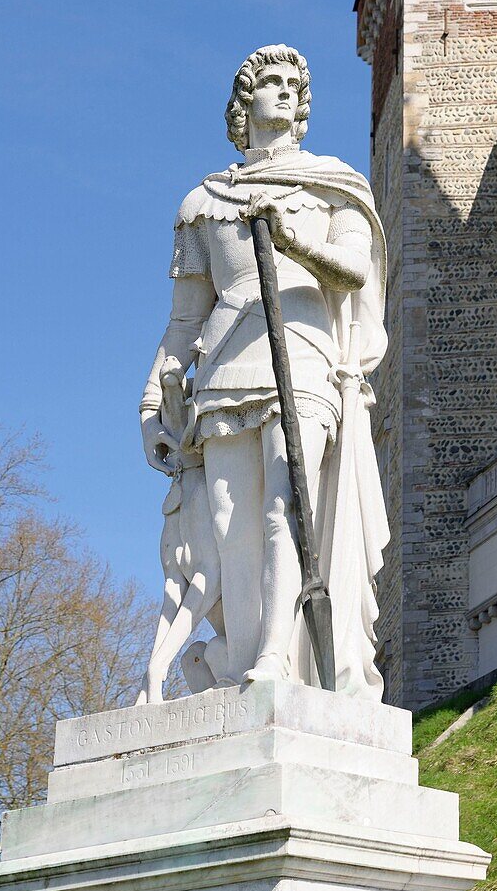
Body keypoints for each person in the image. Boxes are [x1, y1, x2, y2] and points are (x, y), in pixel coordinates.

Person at [140, 44, 389, 698]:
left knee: (288, 506)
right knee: (232, 528)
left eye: (292, 85)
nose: (283, 92)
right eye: (268, 83)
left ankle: (279, 654)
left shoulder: (333, 185)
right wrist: (150, 403)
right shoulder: (204, 201)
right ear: (243, 102)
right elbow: (183, 321)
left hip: (302, 353)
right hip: (224, 364)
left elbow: (355, 271)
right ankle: (243, 653)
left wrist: (291, 240)